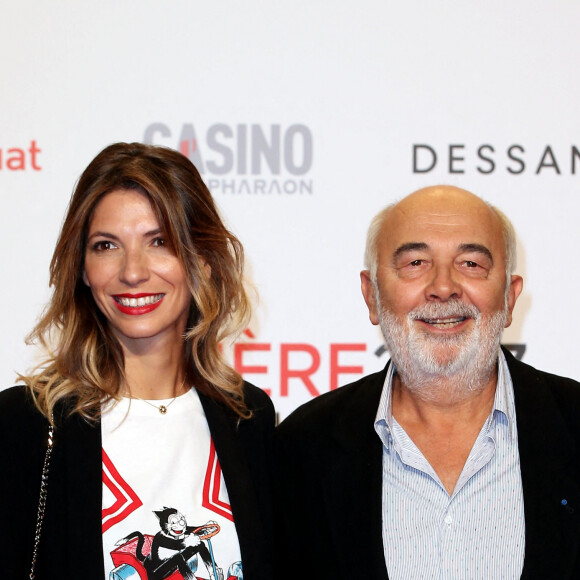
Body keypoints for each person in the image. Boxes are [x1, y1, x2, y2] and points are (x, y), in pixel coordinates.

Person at [275, 185, 580, 579]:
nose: (443, 286)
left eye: (470, 263)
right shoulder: (302, 449)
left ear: (509, 298)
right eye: (416, 262)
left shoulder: (574, 423)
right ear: (372, 296)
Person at [0, 142, 274, 580]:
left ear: (202, 260)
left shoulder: (248, 418)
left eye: (159, 242)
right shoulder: (24, 425)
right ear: (83, 269)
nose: (132, 271)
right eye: (106, 245)